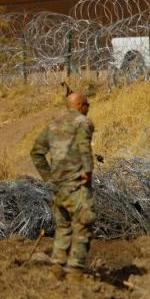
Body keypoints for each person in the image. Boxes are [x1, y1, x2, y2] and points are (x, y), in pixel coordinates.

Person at [30, 92, 95, 282]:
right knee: (83, 225)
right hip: (77, 185)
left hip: (59, 188)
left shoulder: (53, 124)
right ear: (81, 105)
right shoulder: (83, 122)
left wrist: (50, 178)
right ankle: (75, 273)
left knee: (63, 227)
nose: (89, 108)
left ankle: (57, 270)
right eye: (87, 105)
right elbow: (84, 146)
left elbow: (36, 153)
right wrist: (87, 170)